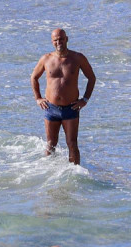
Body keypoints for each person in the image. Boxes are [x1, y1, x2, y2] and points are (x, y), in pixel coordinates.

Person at [30, 29, 96, 165]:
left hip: (71, 108)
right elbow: (34, 77)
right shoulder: (46, 59)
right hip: (50, 108)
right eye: (55, 40)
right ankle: (49, 173)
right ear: (52, 42)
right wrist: (38, 98)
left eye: (61, 39)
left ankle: (76, 174)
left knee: (72, 144)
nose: (58, 42)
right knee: (50, 144)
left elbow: (91, 77)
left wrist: (85, 99)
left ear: (67, 39)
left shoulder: (78, 58)